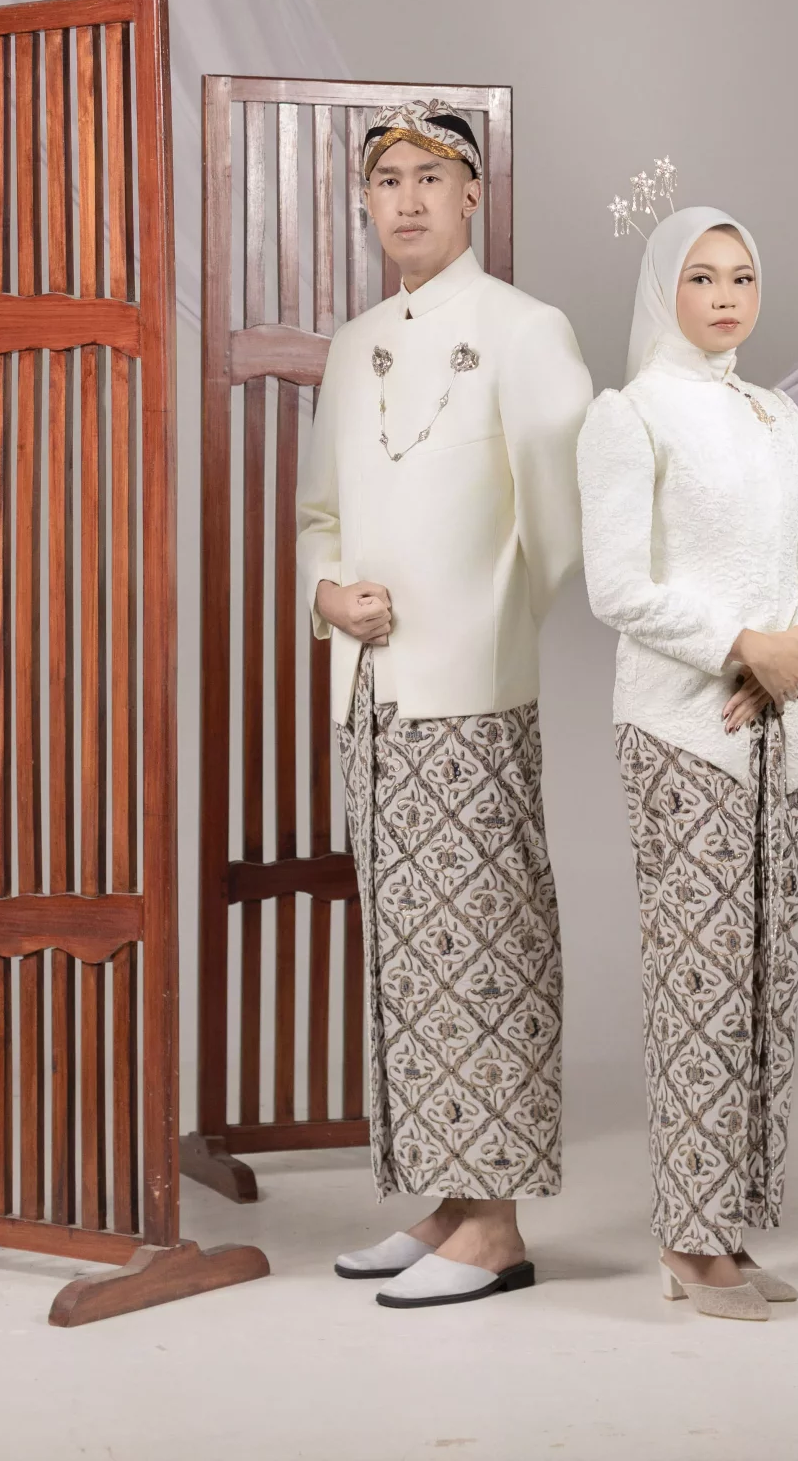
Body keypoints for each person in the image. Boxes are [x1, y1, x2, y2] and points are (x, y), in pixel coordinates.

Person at [299, 99, 593, 1309]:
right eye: (388, 180)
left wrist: (485, 619)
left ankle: (499, 1224)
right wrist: (327, 595)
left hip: (469, 693)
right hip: (369, 695)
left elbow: (561, 519)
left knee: (486, 946)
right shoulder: (354, 341)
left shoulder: (526, 328)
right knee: (409, 955)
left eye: (432, 175)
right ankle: (452, 1200)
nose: (409, 198)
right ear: (367, 202)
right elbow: (319, 513)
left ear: (473, 193)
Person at [576, 203, 798, 1322]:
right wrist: (744, 645)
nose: (726, 296)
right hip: (683, 731)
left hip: (784, 730)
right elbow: (616, 586)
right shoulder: (629, 414)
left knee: (761, 985)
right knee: (697, 986)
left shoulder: (779, 413)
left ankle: (726, 1226)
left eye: (741, 275)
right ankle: (687, 1245)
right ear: (664, 290)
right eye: (701, 277)